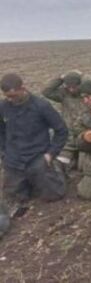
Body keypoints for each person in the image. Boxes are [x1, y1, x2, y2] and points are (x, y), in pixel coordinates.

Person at [0, 73, 68, 203]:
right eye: (7, 97)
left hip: (37, 156)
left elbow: (61, 130)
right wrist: (4, 152)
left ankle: (57, 167)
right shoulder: (3, 107)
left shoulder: (41, 106)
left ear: (22, 88)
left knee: (53, 195)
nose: (10, 100)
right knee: (14, 198)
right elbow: (1, 131)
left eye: (13, 96)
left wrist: (50, 154)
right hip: (14, 159)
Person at [42, 71, 86, 175]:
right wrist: (60, 78)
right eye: (69, 87)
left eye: (74, 87)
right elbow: (46, 91)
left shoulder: (87, 94)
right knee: (60, 162)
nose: (71, 90)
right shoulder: (63, 94)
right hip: (69, 136)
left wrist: (83, 76)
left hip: (85, 136)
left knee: (84, 166)